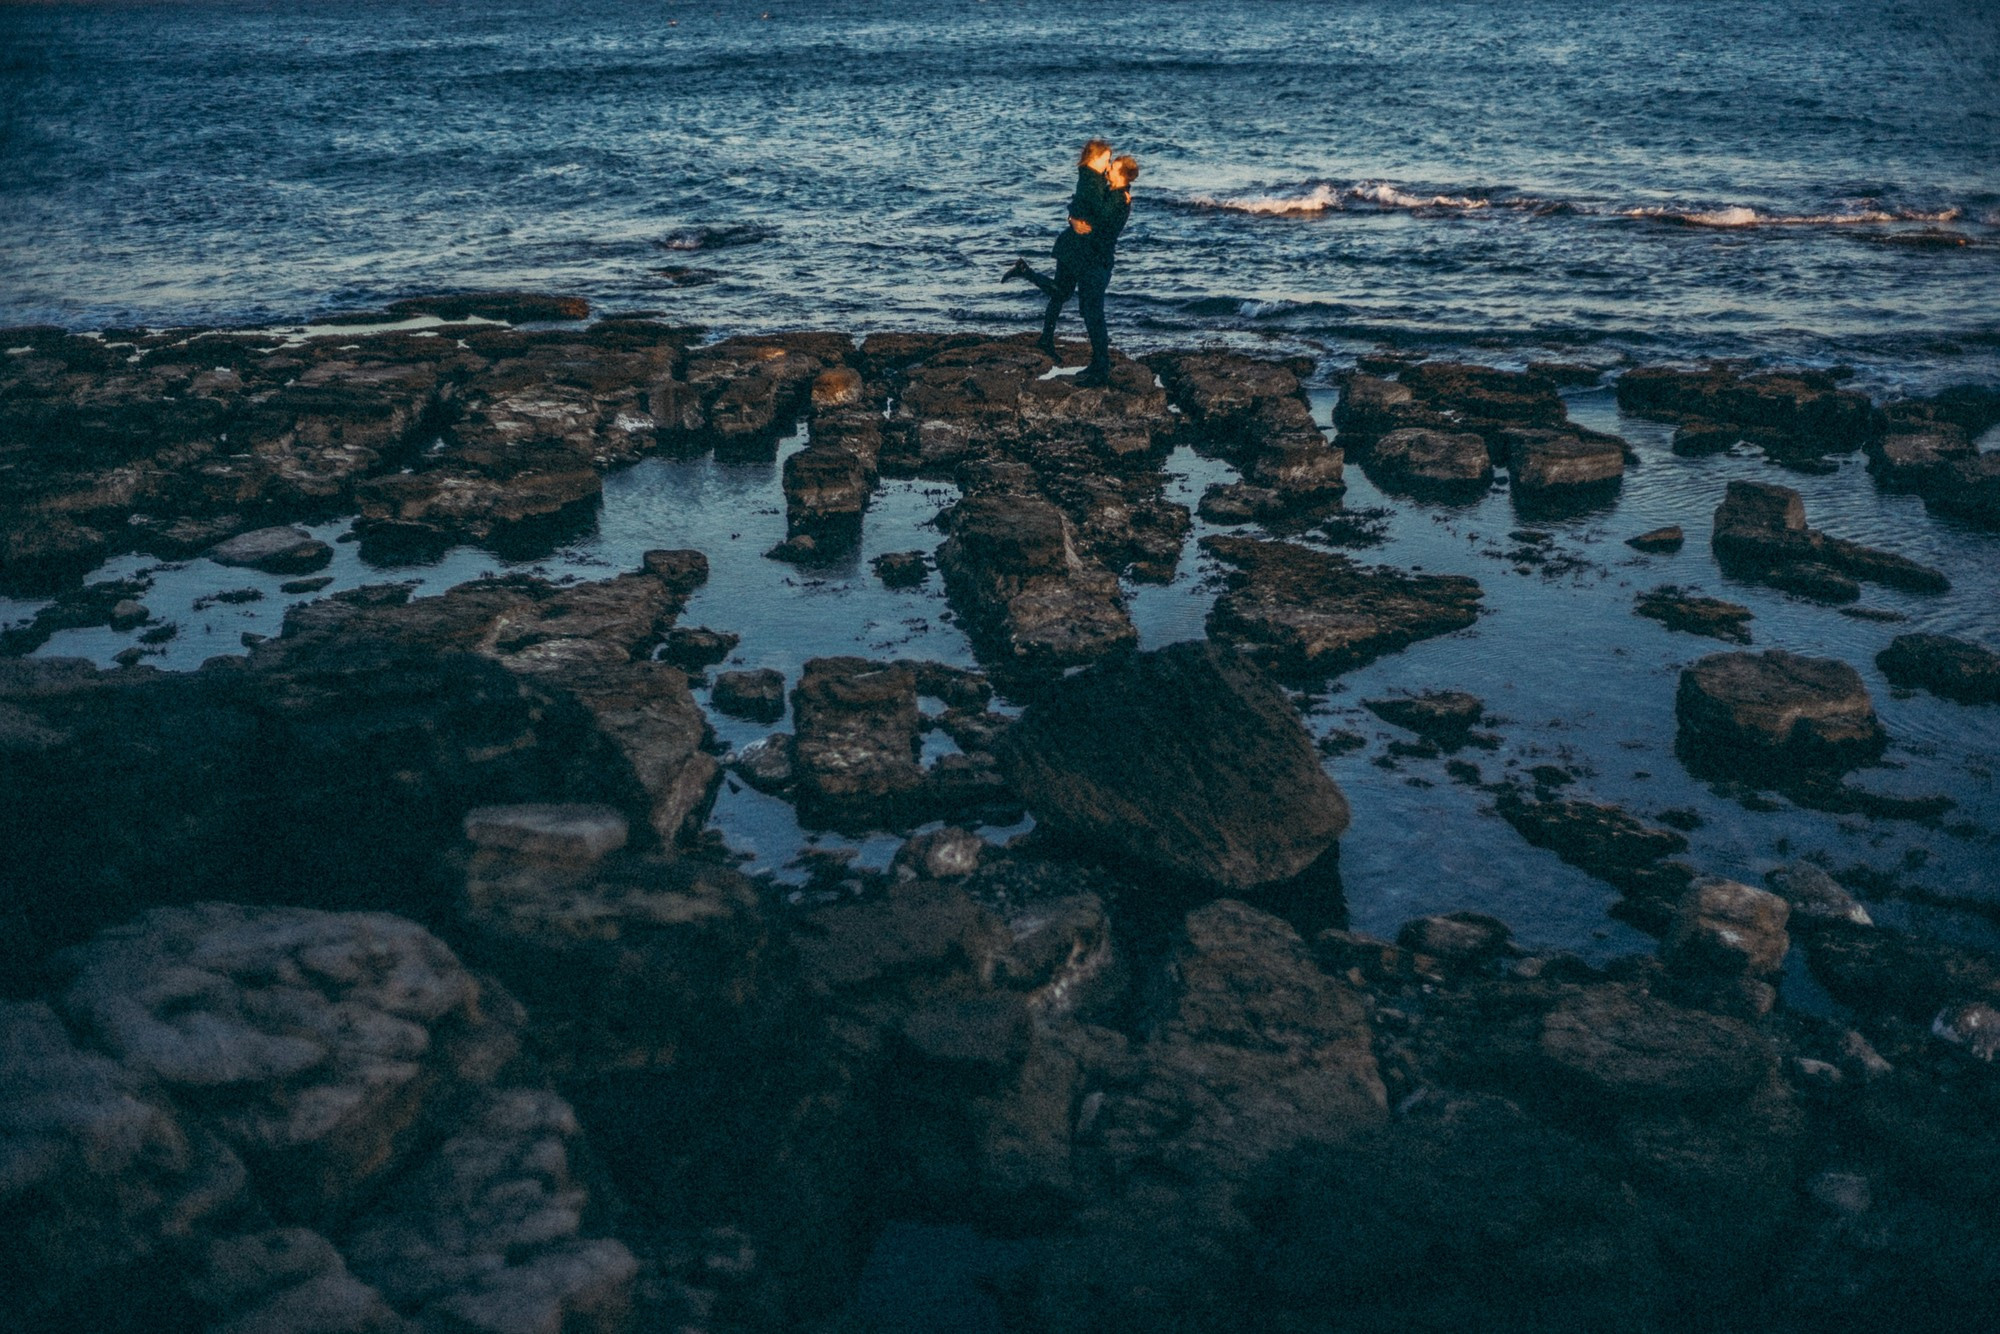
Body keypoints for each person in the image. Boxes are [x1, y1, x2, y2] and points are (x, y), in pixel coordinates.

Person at [1004, 146, 1138, 387]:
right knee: (1084, 309)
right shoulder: (1111, 192)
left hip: (1097, 263)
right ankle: (1096, 362)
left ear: (1123, 175)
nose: (1108, 169)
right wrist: (1073, 219)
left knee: (1093, 314)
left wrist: (1078, 212)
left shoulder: (1119, 199)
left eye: (1113, 166)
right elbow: (1082, 204)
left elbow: (1097, 215)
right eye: (1108, 163)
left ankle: (1101, 366)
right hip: (1085, 257)